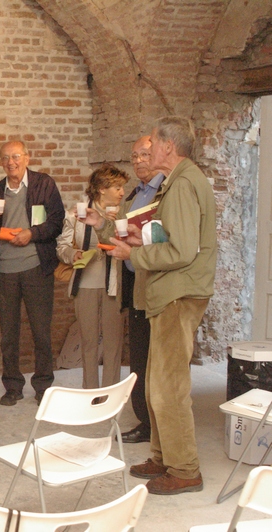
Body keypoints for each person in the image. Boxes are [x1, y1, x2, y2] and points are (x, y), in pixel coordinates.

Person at [104, 116, 216, 495]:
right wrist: (140, 236)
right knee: (155, 383)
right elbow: (172, 235)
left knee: (169, 387)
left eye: (153, 144)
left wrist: (135, 252)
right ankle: (162, 456)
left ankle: (185, 470)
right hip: (167, 293)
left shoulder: (184, 183)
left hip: (177, 294)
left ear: (169, 146)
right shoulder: (177, 181)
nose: (148, 151)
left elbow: (182, 250)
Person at [0, 140, 65, 407]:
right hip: (5, 270)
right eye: (5, 158)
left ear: (27, 158)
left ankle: (43, 385)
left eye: (16, 156)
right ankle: (13, 386)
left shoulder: (44, 184)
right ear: (0, 162)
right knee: (9, 333)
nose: (11, 162)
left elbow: (56, 221)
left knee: (41, 331)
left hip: (36, 267)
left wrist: (32, 234)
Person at [56, 165, 128, 390]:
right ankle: (90, 391)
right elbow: (62, 246)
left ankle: (110, 393)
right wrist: (72, 254)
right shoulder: (75, 214)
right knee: (88, 341)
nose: (122, 192)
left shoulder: (123, 215)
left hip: (113, 283)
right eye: (117, 187)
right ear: (101, 189)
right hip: (85, 282)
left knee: (113, 342)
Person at [120, 136, 165, 444]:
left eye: (144, 155)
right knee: (138, 357)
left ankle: (157, 425)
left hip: (158, 284)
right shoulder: (136, 193)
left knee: (156, 360)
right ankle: (145, 421)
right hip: (135, 283)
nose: (137, 160)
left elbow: (163, 237)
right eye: (134, 156)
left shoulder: (166, 192)